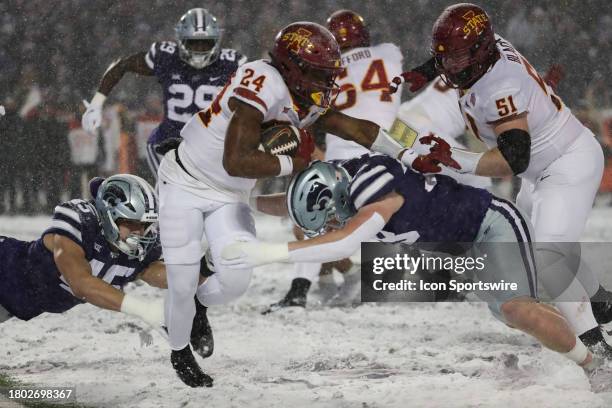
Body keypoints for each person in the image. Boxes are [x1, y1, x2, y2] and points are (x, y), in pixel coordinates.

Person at [156, 21, 452, 387]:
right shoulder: (262, 81)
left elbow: (360, 129)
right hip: (184, 182)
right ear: (293, 67)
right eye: (319, 74)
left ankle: (199, 303)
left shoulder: (306, 92)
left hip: (230, 195)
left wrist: (410, 149)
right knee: (181, 284)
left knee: (234, 281)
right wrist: (294, 163)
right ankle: (179, 349)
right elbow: (236, 159)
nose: (327, 83)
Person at [220, 153, 611, 391]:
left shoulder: (371, 192)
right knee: (519, 313)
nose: (330, 224)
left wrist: (264, 252)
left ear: (340, 197)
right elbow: (294, 208)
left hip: (489, 225)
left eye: (330, 217)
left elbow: (343, 243)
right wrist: (236, 197)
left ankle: (599, 365)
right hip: (461, 244)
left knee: (518, 308)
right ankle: (597, 328)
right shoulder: (340, 182)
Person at [388, 3, 612, 356]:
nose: (449, 67)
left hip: (567, 161)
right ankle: (601, 303)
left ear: (480, 51)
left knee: (548, 255)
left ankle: (596, 348)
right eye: (443, 58)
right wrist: (423, 71)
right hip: (545, 167)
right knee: (542, 249)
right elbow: (454, 56)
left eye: (458, 58)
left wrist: (456, 159)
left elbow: (512, 160)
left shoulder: (499, 87)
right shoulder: (486, 50)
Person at [0, 175, 214, 385]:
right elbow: (81, 283)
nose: (139, 232)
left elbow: (172, 278)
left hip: (15, 303)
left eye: (144, 224)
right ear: (109, 214)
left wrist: (208, 264)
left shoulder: (134, 248)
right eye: (131, 223)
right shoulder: (81, 221)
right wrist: (145, 309)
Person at [266, 9, 405, 312]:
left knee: (307, 217)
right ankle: (341, 277)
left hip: (345, 159)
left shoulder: (324, 68)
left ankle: (300, 290)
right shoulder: (389, 53)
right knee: (332, 225)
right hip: (387, 157)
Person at [81, 8, 246, 180]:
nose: (199, 49)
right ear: (181, 41)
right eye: (193, 42)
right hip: (168, 147)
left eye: (205, 43)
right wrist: (96, 104)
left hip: (212, 149)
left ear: (216, 42)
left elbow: (263, 88)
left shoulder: (232, 63)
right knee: (178, 201)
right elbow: (122, 65)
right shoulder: (166, 57)